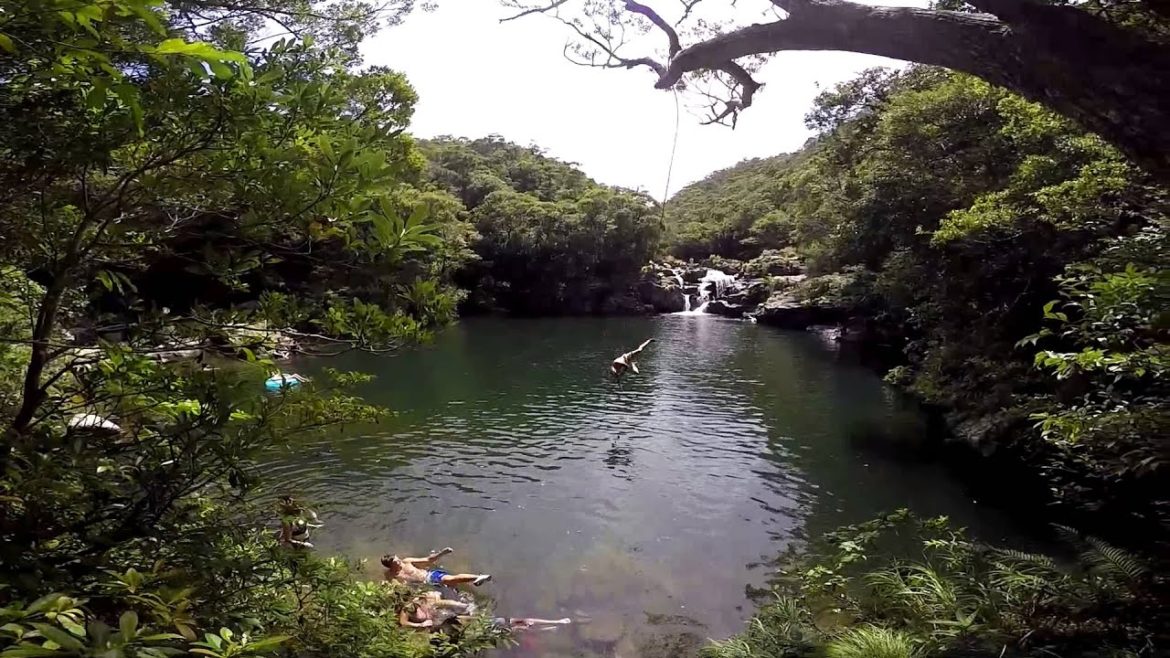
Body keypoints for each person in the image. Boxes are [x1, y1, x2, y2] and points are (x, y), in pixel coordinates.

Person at [399, 592, 570, 632]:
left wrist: (459, 605)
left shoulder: (421, 601)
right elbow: (403, 623)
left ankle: (555, 622)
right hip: (446, 627)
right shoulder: (406, 610)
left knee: (512, 621)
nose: (416, 604)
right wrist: (420, 624)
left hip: (456, 618)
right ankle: (546, 629)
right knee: (512, 629)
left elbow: (439, 601)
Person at [381, 549, 491, 587]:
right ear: (391, 565)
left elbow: (427, 560)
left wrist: (442, 553)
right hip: (425, 587)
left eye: (398, 559)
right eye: (396, 562)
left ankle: (479, 577)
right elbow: (398, 587)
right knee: (454, 586)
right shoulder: (390, 575)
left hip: (430, 576)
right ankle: (474, 581)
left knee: (451, 579)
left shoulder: (407, 561)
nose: (399, 561)